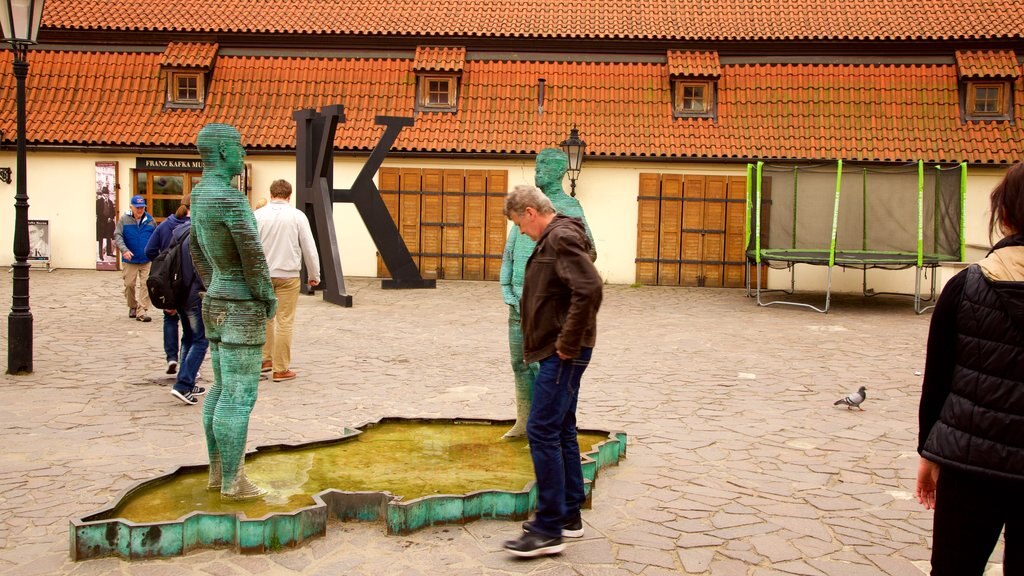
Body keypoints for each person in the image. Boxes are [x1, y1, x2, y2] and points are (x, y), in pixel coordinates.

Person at [916, 162, 1024, 575]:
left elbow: (938, 381)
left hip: (968, 462)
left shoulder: (966, 285)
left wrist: (929, 450)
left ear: (1005, 215)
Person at [501, 184, 603, 557]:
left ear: (529, 211)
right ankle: (569, 516)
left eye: (519, 224)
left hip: (563, 354)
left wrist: (565, 344)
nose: (521, 232)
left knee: (541, 428)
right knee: (560, 427)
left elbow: (589, 288)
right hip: (561, 351)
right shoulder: (558, 237)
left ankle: (548, 528)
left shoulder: (559, 237)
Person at [190, 123, 277, 500]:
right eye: (239, 148)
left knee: (220, 389)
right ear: (224, 152)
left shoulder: (198, 195)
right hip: (241, 304)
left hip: (216, 298)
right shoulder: (229, 198)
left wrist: (214, 284)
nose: (244, 154)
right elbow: (252, 254)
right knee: (239, 397)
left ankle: (216, 474)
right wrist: (265, 295)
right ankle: (233, 482)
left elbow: (195, 248)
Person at [499, 148, 596, 439]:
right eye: (536, 165)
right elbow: (509, 251)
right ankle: (523, 421)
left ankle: (545, 428)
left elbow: (589, 252)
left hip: (545, 307)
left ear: (558, 171)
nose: (537, 171)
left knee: (545, 368)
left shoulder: (569, 208)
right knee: (519, 363)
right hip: (517, 300)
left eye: (543, 166)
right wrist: (506, 286)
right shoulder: (529, 207)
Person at [254, 179, 321, 383]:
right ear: (289, 195)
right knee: (285, 321)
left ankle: (265, 359)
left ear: (271, 193)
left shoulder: (257, 215)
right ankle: (280, 368)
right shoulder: (297, 216)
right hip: (288, 274)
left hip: (262, 274)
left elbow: (248, 246)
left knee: (265, 317)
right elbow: (308, 247)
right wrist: (314, 274)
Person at [145, 199, 191, 374]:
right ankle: (188, 363)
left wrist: (162, 264)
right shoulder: (194, 227)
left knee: (170, 318)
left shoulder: (165, 225)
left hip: (168, 282)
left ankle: (172, 358)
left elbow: (149, 250)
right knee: (190, 325)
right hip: (187, 280)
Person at [167, 212, 208, 406]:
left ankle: (187, 382)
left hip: (180, 292)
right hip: (194, 293)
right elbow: (201, 268)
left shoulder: (180, 230)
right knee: (201, 340)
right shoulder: (201, 235)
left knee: (188, 337)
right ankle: (183, 383)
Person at [114, 195, 156, 322]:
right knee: (129, 285)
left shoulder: (150, 220)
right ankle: (133, 306)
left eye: (142, 207)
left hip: (146, 259)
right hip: (130, 259)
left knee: (146, 285)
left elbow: (155, 237)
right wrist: (124, 250)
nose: (140, 210)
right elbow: (118, 235)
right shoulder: (124, 220)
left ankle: (142, 311)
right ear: (131, 207)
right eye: (137, 207)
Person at [96, 186, 116, 260]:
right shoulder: (98, 202)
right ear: (102, 194)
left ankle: (109, 252)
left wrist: (110, 217)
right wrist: (106, 219)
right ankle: (101, 254)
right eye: (104, 194)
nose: (106, 195)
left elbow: (113, 212)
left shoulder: (110, 202)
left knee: (109, 238)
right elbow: (98, 212)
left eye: (107, 194)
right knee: (101, 239)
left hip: (108, 224)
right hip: (101, 223)